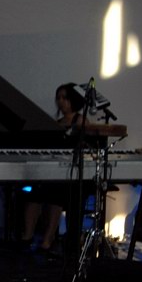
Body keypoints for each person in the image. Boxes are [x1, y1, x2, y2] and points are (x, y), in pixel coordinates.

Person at [17, 82, 86, 255]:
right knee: (32, 193)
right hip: (52, 170)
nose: (60, 101)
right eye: (58, 98)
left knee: (56, 196)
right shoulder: (56, 123)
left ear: (72, 100)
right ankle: (28, 235)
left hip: (68, 174)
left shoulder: (80, 121)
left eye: (64, 98)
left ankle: (47, 240)